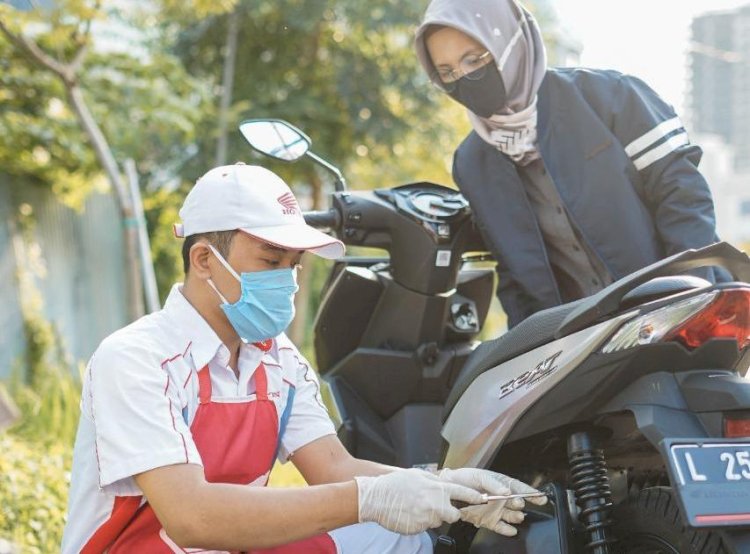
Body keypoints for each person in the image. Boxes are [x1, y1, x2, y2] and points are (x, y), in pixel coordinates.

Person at [61, 163, 546, 553]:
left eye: (294, 264)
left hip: (232, 546)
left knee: (398, 534)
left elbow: (333, 468)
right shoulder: (136, 359)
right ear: (204, 260)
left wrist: (445, 489)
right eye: (270, 262)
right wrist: (367, 499)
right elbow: (192, 518)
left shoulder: (276, 359)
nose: (287, 279)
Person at [414, 0, 728, 328]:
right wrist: (529, 355)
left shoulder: (612, 97)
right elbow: (511, 275)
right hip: (582, 348)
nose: (463, 77)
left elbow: (684, 199)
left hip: (685, 314)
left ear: (508, 43)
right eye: (447, 72)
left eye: (473, 59)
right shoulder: (472, 164)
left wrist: (687, 302)